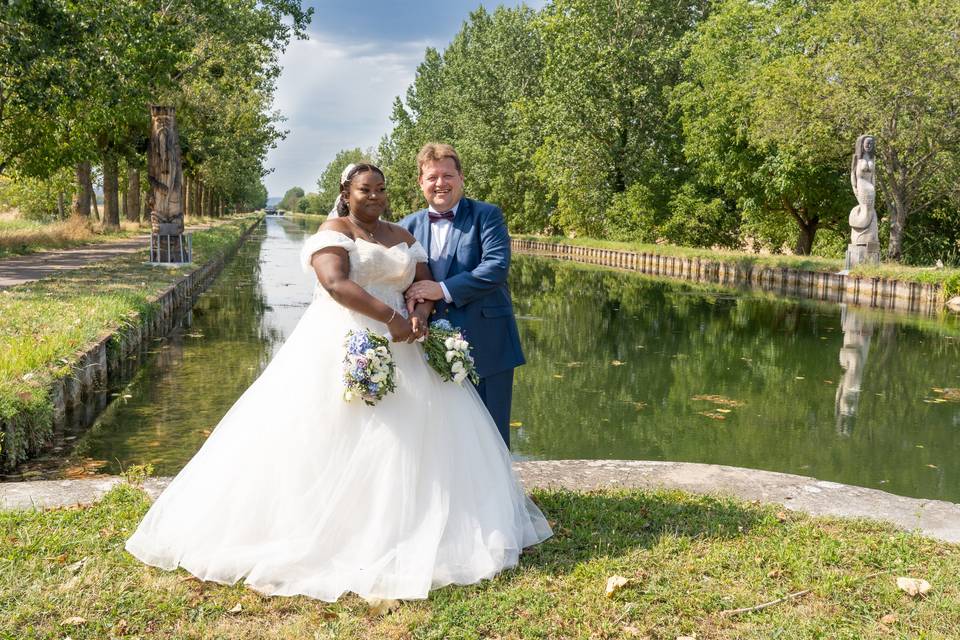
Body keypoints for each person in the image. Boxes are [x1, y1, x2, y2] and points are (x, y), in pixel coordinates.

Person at [125, 163, 551, 602]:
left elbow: (422, 283)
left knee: (416, 435)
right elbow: (334, 282)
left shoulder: (402, 234)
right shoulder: (333, 230)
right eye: (365, 189)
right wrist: (391, 319)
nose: (375, 196)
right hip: (347, 339)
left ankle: (415, 522)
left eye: (381, 189)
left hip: (407, 344)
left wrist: (418, 317)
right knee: (336, 430)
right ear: (346, 193)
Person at [400, 143, 524, 448]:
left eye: (447, 175)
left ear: (461, 178)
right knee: (436, 435)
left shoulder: (487, 215)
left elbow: (496, 267)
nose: (440, 183)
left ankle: (496, 495)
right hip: (426, 349)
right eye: (432, 177)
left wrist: (441, 289)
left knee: (491, 433)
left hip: (488, 341)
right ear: (421, 182)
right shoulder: (406, 227)